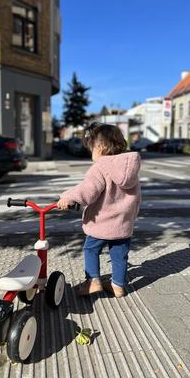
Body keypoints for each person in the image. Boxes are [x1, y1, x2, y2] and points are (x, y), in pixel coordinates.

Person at [57, 122, 141, 298]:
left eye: (92, 148)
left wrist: (68, 197)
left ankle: (93, 281)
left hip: (101, 224)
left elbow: (88, 191)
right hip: (123, 225)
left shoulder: (101, 167)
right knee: (119, 255)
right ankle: (118, 286)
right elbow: (136, 198)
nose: (91, 153)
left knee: (91, 249)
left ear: (100, 147)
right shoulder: (130, 168)